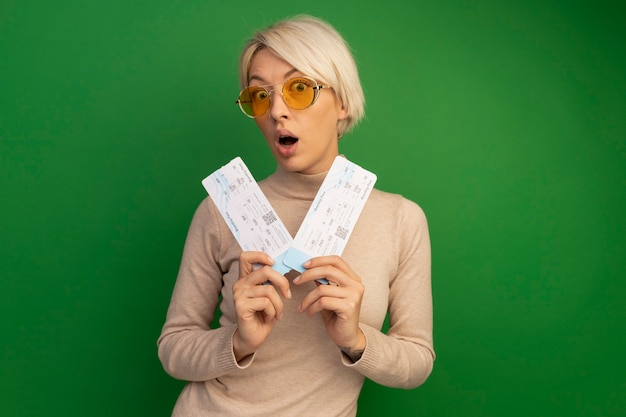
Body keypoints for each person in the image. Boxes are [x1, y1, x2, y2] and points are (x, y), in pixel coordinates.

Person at [157, 14, 434, 417]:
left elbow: (417, 362)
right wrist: (238, 343)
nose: (277, 112)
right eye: (260, 96)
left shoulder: (401, 220)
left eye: (299, 88)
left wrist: (356, 340)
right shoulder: (221, 210)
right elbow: (173, 348)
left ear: (341, 101)